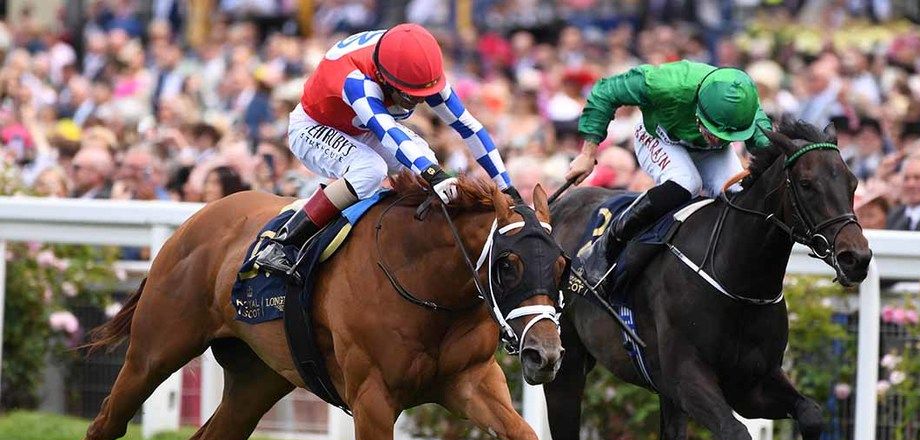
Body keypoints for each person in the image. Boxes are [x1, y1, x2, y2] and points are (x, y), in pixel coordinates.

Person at [255, 24, 519, 280]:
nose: (420, 100)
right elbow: (387, 131)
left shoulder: (419, 69)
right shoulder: (356, 81)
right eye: (412, 95)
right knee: (371, 169)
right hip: (313, 126)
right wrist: (433, 174)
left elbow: (469, 128)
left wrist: (506, 186)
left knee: (424, 155)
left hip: (357, 125)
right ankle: (285, 242)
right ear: (384, 78)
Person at [563, 60, 772, 284]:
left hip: (707, 151)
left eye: (727, 135)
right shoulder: (664, 83)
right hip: (659, 135)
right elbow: (606, 91)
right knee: (687, 182)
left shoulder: (747, 107)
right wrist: (588, 154)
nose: (719, 139)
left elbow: (770, 151)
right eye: (715, 131)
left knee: (739, 195)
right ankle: (607, 244)